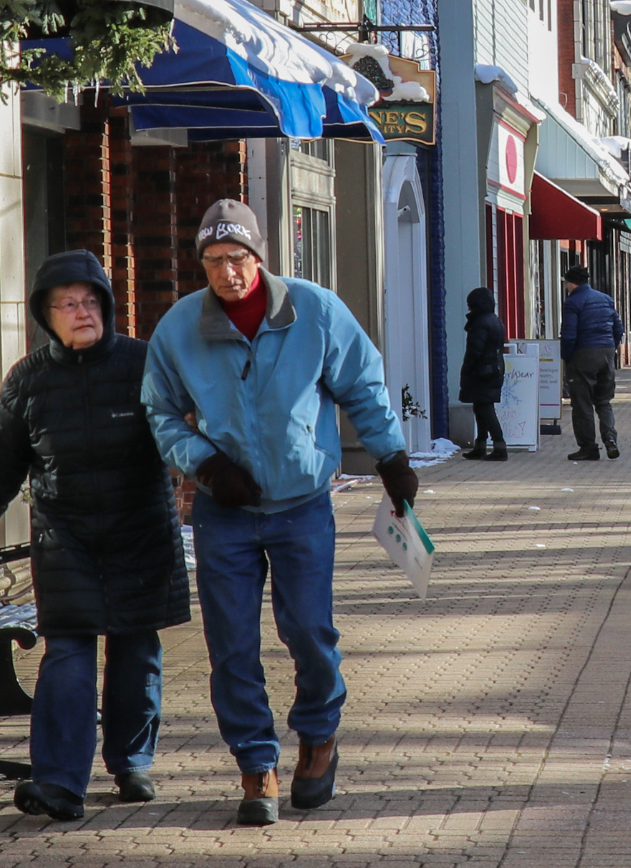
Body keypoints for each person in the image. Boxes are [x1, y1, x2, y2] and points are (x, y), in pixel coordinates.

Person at [142, 199, 417, 826]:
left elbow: (363, 388)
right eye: (213, 261)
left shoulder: (313, 312)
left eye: (237, 258)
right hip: (225, 512)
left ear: (259, 256)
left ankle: (319, 737)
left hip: (302, 507)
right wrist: (206, 466)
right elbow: (158, 412)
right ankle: (255, 762)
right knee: (231, 646)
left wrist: (392, 459)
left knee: (311, 636)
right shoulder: (181, 328)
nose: (227, 273)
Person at [0, 250, 189, 823]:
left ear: (105, 303)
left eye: (90, 300)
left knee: (135, 651)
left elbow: (185, 434)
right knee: (69, 655)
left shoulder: (143, 364)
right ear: (45, 316)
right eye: (67, 304)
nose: (82, 312)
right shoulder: (29, 381)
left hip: (140, 534)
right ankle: (58, 782)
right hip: (68, 542)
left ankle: (131, 760)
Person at [559, 265, 624, 460]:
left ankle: (588, 447)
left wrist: (567, 357)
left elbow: (569, 335)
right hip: (606, 353)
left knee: (582, 404)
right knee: (603, 401)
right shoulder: (606, 299)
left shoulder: (572, 302)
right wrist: (611, 347)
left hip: (583, 354)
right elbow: (618, 328)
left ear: (571, 283)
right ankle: (610, 439)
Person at [459, 287, 508, 461]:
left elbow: (474, 350)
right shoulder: (495, 320)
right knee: (481, 407)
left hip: (482, 371)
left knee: (485, 408)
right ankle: (481, 445)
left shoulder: (480, 323)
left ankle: (498, 446)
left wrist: (466, 369)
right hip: (494, 368)